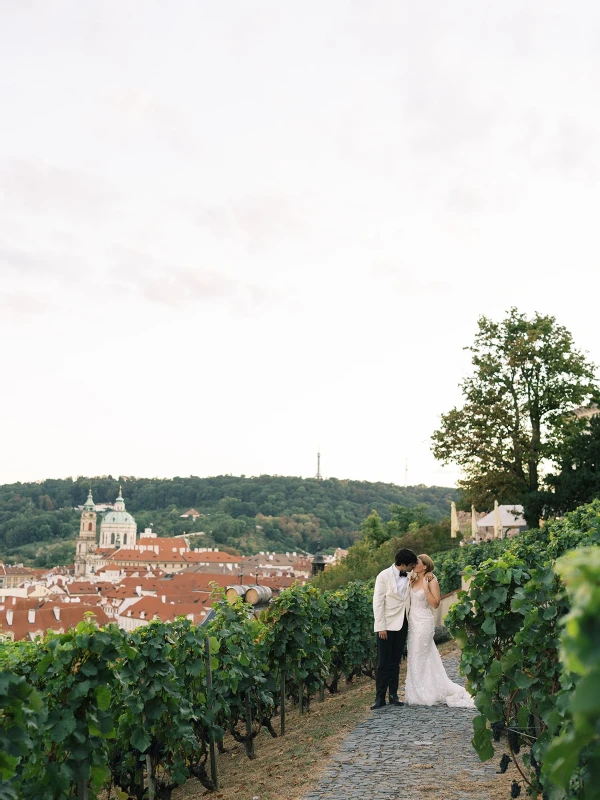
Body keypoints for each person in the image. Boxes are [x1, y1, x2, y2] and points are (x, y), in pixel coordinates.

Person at [404, 554, 475, 707]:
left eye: (417, 563)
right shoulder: (412, 578)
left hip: (424, 621)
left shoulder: (431, 581)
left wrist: (425, 589)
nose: (414, 564)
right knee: (414, 654)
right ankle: (416, 690)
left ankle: (426, 692)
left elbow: (435, 604)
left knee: (421, 654)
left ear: (425, 566)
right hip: (413, 622)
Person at [371, 547, 421, 709]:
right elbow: (378, 603)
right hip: (386, 626)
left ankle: (393, 695)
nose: (413, 568)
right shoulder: (383, 576)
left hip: (403, 624)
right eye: (411, 565)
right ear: (403, 564)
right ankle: (379, 698)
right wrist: (381, 627)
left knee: (395, 662)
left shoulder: (411, 577)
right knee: (383, 663)